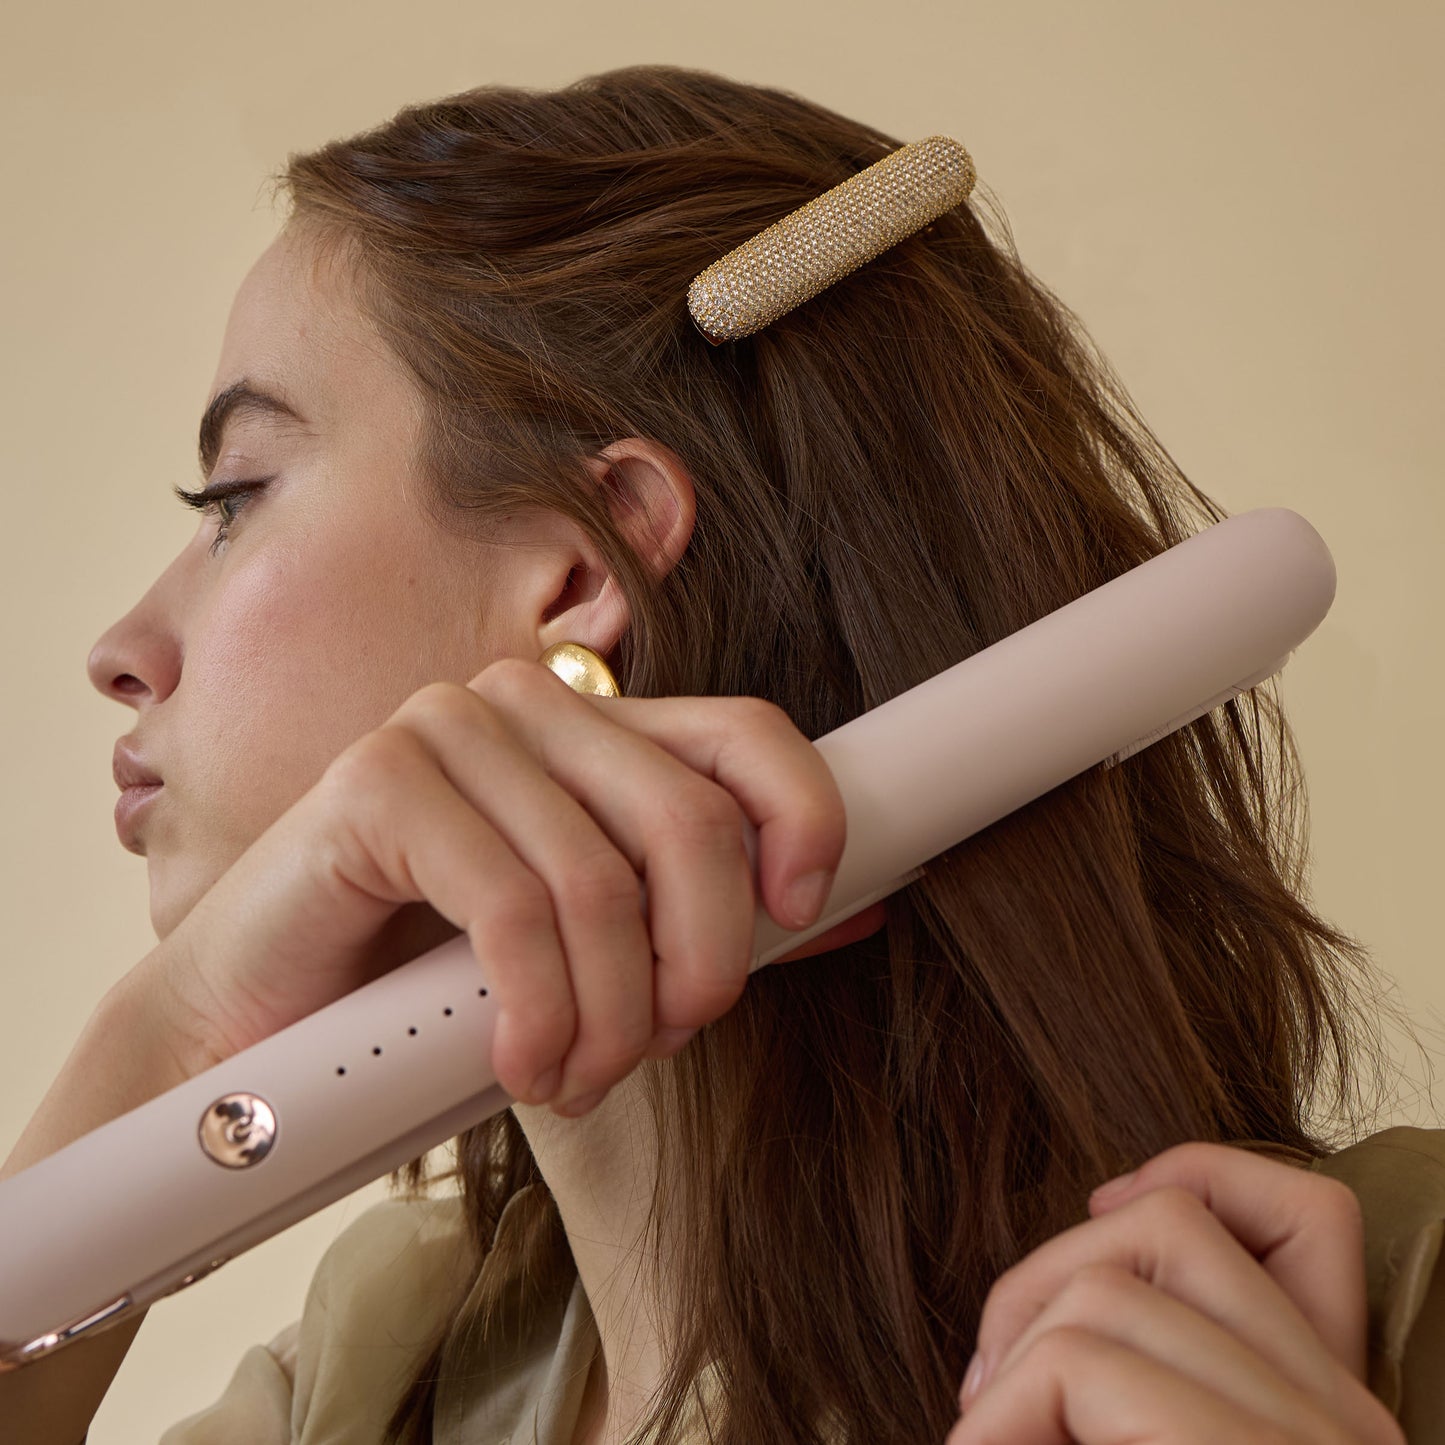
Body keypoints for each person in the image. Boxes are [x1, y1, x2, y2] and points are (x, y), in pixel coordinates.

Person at [1, 63, 1438, 1445]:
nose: (121, 645)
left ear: (586, 567)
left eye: (235, 494)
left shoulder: (1365, 1308)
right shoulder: (385, 1369)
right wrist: (171, 1041)